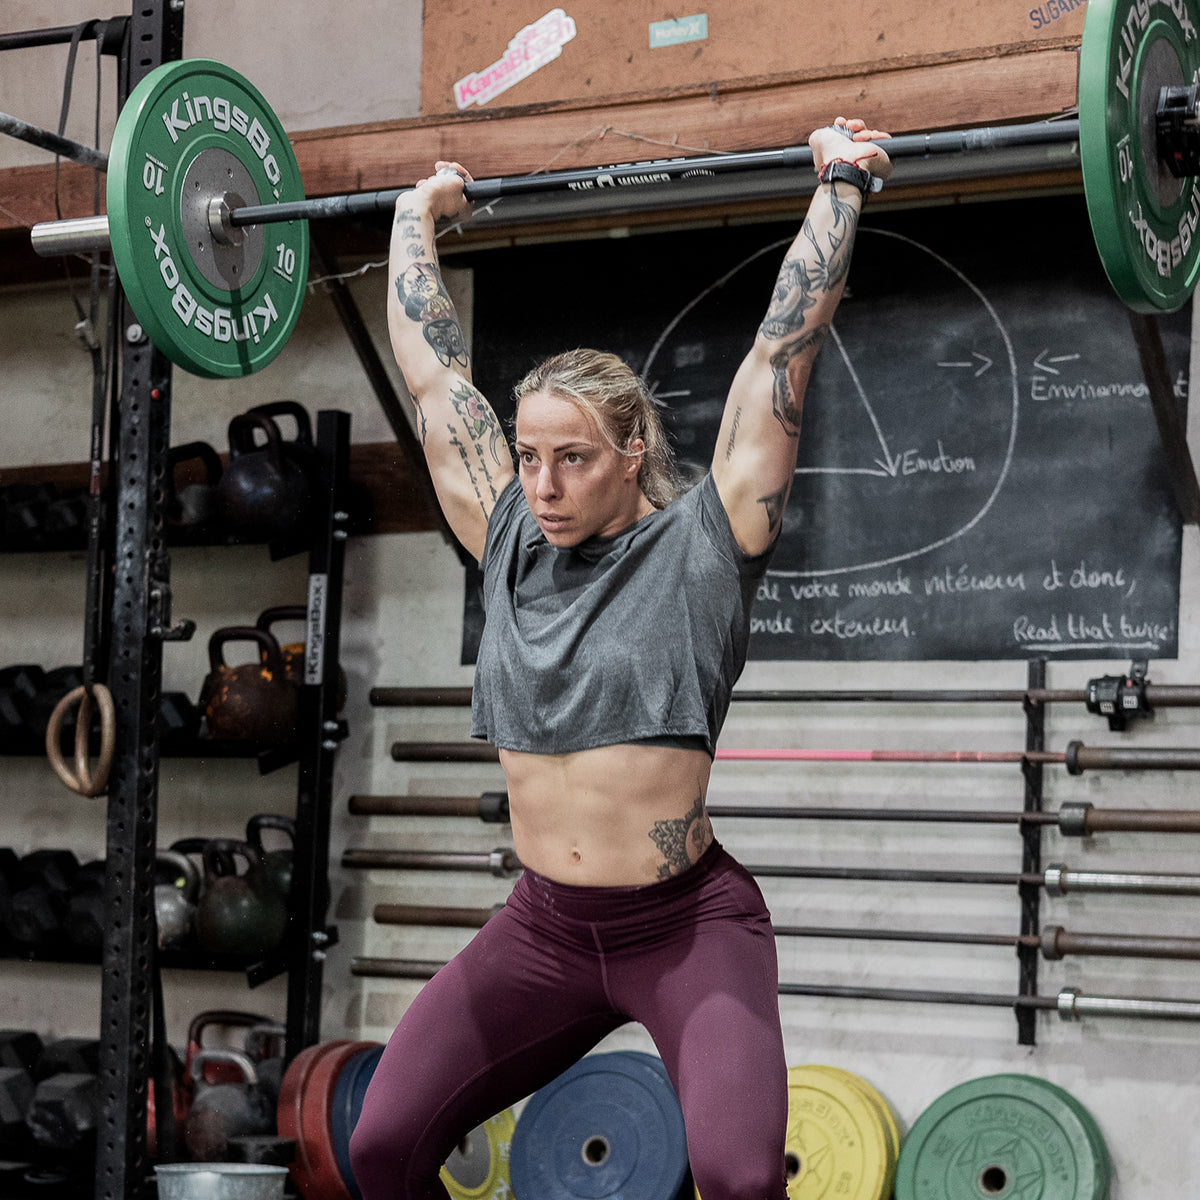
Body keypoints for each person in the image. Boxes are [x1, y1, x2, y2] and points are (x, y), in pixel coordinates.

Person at [349, 117, 892, 1200]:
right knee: (379, 1146)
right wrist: (416, 216)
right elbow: (428, 370)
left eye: (573, 460)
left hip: (687, 928)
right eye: (530, 457)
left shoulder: (704, 544)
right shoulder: (503, 534)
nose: (541, 485)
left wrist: (839, 181)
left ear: (632, 452)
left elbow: (784, 347)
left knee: (740, 1181)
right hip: (541, 930)